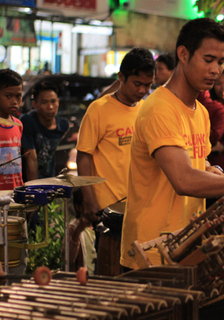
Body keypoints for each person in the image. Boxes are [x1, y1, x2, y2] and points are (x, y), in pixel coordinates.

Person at [120, 18, 224, 271]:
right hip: (150, 253)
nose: (216, 70)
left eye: (221, 62)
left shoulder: (201, 112)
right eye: (208, 59)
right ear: (183, 54)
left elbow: (195, 163)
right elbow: (184, 180)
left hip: (184, 247)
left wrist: (210, 170)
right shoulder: (160, 108)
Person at [76, 48, 155, 275]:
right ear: (121, 78)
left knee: (135, 273)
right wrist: (90, 200)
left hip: (138, 206)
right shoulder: (98, 109)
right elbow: (84, 155)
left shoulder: (145, 110)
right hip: (107, 209)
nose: (142, 90)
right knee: (110, 273)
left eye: (147, 85)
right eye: (136, 83)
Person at [20, 81, 70, 181]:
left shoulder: (63, 125)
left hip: (52, 180)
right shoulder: (28, 122)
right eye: (44, 102)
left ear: (58, 102)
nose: (50, 107)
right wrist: (34, 189)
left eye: (53, 101)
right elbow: (31, 159)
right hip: (29, 181)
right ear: (35, 104)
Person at [0, 69, 23, 190]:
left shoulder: (18, 125)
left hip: (15, 193)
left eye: (18, 96)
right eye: (8, 96)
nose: (14, 101)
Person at [65, 188, 97, 275]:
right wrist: (78, 231)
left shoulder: (100, 227)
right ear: (78, 207)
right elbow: (68, 259)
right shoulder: (72, 229)